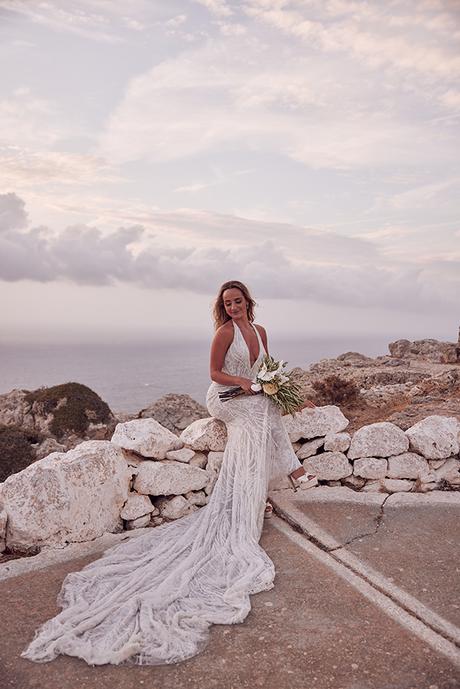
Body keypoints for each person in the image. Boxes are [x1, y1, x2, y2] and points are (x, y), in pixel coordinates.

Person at [21, 280, 318, 668]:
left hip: (253, 394)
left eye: (238, 301)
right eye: (227, 303)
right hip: (225, 399)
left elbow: (268, 369)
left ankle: (265, 485)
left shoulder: (260, 331)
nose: (233, 308)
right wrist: (244, 383)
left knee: (269, 410)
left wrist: (271, 386)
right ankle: (291, 471)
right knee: (257, 419)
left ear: (248, 302)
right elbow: (214, 373)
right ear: (223, 307)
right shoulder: (223, 333)